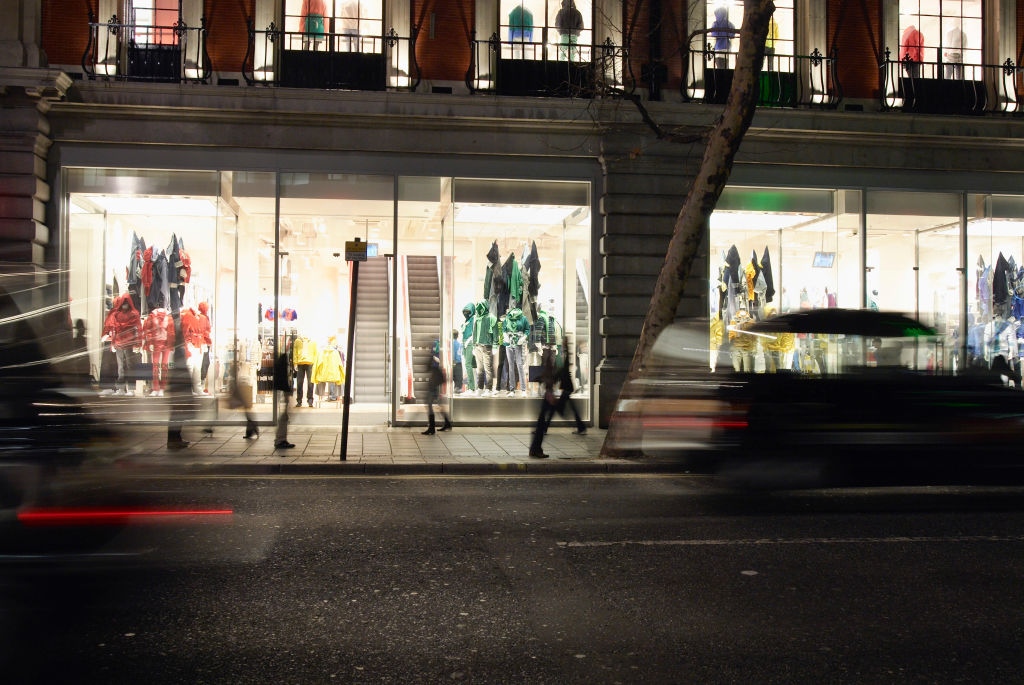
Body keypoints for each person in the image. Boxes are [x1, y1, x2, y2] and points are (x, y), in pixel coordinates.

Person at [422, 340, 452, 435]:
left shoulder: (433, 357)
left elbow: (428, 368)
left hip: (434, 383)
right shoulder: (435, 357)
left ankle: (432, 427)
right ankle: (447, 423)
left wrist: (429, 359)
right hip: (436, 382)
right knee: (438, 405)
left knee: (429, 404)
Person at [273, 350, 295, 449]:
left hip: (283, 391)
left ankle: (281, 439)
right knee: (284, 417)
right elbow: (284, 378)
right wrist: (287, 393)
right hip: (283, 392)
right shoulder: (283, 360)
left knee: (284, 417)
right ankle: (280, 440)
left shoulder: (282, 360)